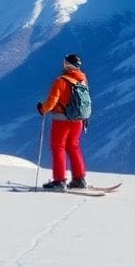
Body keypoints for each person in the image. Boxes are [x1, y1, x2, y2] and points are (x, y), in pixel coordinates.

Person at [35, 53, 89, 190]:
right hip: (78, 120)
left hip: (61, 121)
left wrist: (43, 108)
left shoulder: (60, 81)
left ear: (67, 64)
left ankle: (59, 181)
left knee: (58, 147)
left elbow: (52, 101)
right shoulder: (82, 80)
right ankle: (79, 179)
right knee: (73, 147)